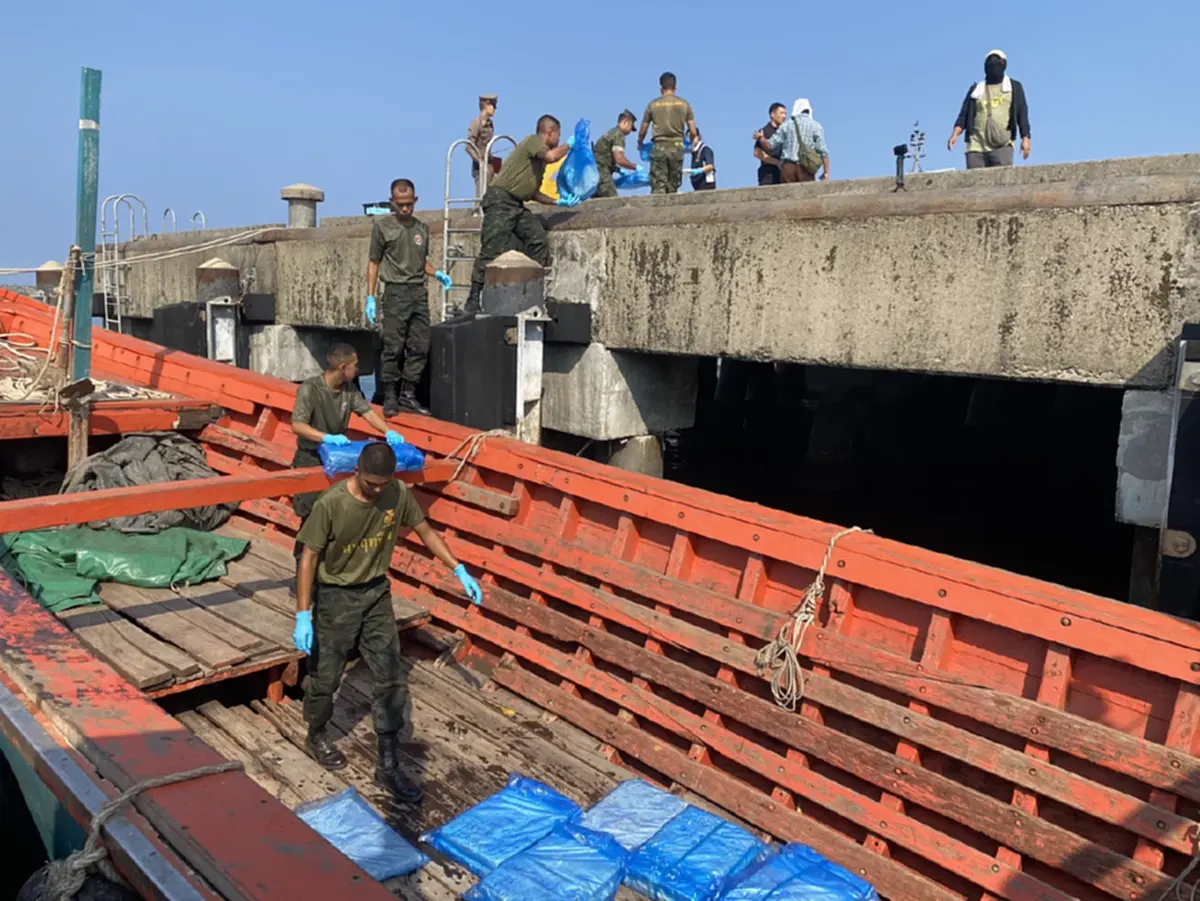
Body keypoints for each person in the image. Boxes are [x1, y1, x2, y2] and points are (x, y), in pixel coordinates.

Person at [292, 441, 483, 801]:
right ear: (356, 473)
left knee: (390, 676)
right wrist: (304, 614)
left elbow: (424, 529)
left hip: (377, 594)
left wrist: (457, 568)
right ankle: (316, 732)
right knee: (326, 675)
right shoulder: (332, 503)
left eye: (383, 483)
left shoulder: (397, 493)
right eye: (370, 483)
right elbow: (309, 557)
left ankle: (388, 765)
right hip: (336, 598)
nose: (377, 490)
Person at [289, 344, 405, 559]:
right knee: (311, 518)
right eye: (355, 365)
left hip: (337, 460)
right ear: (343, 367)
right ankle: (302, 575)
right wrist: (326, 437)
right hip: (311, 458)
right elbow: (297, 424)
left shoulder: (350, 390)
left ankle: (325, 571)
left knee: (335, 515)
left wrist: (389, 432)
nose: (357, 370)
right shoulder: (310, 388)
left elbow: (367, 413)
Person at [464, 115, 579, 314]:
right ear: (549, 133)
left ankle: (533, 289)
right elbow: (552, 156)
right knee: (492, 248)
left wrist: (557, 202)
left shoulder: (538, 163)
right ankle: (473, 297)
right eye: (558, 135)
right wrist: (569, 146)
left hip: (517, 204)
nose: (559, 139)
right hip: (500, 200)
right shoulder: (533, 141)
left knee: (537, 240)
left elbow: (532, 192)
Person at [365, 179, 452, 417]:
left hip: (417, 292)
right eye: (400, 204)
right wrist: (370, 297)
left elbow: (420, 261)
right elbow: (374, 262)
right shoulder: (383, 228)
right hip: (395, 292)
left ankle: (408, 393)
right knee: (393, 347)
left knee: (420, 346)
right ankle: (390, 394)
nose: (405, 209)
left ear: (415, 201)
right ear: (392, 202)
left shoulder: (421, 229)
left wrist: (438, 274)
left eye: (409, 204)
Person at [948, 50, 1031, 169]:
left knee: (1001, 184)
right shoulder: (976, 89)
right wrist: (955, 135)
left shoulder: (1014, 87)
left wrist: (1026, 138)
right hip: (976, 146)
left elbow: (1022, 115)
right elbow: (964, 115)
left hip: (1002, 144)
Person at [638, 72, 700, 195]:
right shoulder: (684, 104)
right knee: (673, 186)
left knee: (658, 186)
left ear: (661, 88)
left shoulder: (653, 105)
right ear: (675, 86)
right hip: (677, 146)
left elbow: (643, 129)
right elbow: (693, 131)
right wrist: (693, 140)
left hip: (659, 146)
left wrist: (640, 141)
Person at [754, 98, 830, 183]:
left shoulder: (787, 125)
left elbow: (770, 145)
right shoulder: (816, 126)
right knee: (806, 196)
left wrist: (761, 138)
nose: (784, 116)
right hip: (806, 168)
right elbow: (823, 152)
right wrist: (826, 172)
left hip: (788, 168)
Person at [592, 110, 640, 199]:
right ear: (626, 122)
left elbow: (604, 155)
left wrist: (617, 169)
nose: (630, 132)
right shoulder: (618, 135)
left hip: (594, 173)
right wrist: (635, 167)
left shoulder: (611, 132)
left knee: (597, 203)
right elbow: (619, 159)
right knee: (613, 201)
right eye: (631, 127)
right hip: (602, 173)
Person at [467, 94, 501, 209]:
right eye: (493, 106)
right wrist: (479, 161)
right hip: (480, 164)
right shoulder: (476, 123)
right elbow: (469, 146)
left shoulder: (490, 124)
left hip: (489, 162)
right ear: (486, 106)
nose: (495, 109)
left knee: (493, 192)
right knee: (481, 195)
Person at [754, 103, 787, 186]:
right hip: (768, 173)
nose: (784, 116)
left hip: (784, 173)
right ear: (772, 114)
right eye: (781, 113)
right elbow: (757, 153)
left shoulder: (785, 132)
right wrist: (776, 162)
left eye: (785, 114)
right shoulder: (764, 131)